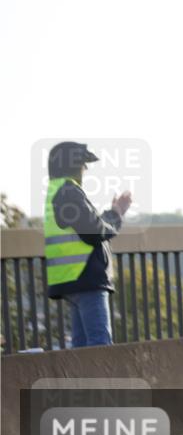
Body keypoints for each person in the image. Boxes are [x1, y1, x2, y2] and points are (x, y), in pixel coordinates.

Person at [45, 142, 132, 348]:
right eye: (84, 164)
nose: (86, 170)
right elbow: (93, 232)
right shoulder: (69, 192)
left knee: (82, 349)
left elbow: (86, 224)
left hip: (73, 279)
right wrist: (116, 216)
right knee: (99, 349)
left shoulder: (59, 192)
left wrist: (112, 214)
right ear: (74, 166)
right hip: (86, 279)